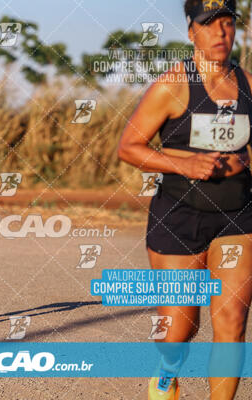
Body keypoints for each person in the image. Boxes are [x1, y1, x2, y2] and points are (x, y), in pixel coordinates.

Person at [118, 1, 252, 398]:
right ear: (191, 31)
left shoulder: (247, 83)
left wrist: (243, 159)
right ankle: (167, 374)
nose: (220, 33)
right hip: (179, 215)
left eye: (227, 24)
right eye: (210, 25)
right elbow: (129, 147)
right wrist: (186, 165)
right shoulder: (173, 84)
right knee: (179, 330)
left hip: (238, 216)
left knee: (232, 319)